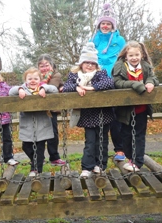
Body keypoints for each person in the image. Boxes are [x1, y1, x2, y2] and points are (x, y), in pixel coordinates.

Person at [63, 42, 114, 178]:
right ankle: (87, 167)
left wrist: (93, 88)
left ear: (96, 65)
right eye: (87, 62)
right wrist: (77, 87)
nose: (90, 65)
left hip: (103, 114)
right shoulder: (75, 76)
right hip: (88, 116)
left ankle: (100, 165)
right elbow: (66, 87)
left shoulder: (100, 74)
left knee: (102, 140)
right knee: (90, 141)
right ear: (81, 64)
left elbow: (109, 83)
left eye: (92, 63)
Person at [112, 41, 159, 172]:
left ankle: (137, 162)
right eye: (131, 55)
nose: (134, 58)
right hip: (125, 109)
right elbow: (117, 82)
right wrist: (134, 84)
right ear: (125, 56)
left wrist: (149, 82)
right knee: (126, 136)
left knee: (139, 135)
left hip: (141, 109)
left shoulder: (145, 67)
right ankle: (130, 158)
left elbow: (154, 78)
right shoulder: (120, 67)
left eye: (137, 55)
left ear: (142, 54)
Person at [90, 3, 126, 161]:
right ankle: (97, 154)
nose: (105, 26)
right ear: (99, 25)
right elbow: (88, 60)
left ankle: (120, 149)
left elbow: (123, 59)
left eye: (108, 23)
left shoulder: (120, 40)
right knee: (98, 118)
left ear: (113, 25)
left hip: (113, 80)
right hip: (96, 81)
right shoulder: (93, 39)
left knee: (115, 118)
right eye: (103, 23)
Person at [9, 67, 58, 177]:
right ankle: (38, 160)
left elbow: (54, 89)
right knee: (26, 147)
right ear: (25, 80)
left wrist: (43, 88)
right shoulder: (23, 89)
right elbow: (10, 91)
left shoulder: (43, 88)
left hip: (42, 125)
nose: (32, 81)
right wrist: (20, 89)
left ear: (39, 80)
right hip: (28, 125)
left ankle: (36, 170)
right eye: (29, 78)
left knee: (39, 149)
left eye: (35, 78)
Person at [37, 54, 66, 166]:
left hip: (51, 109)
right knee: (39, 134)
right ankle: (39, 157)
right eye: (41, 65)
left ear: (51, 65)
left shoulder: (55, 75)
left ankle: (54, 156)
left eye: (46, 65)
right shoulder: (35, 76)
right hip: (39, 109)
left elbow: (52, 88)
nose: (44, 67)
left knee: (52, 133)